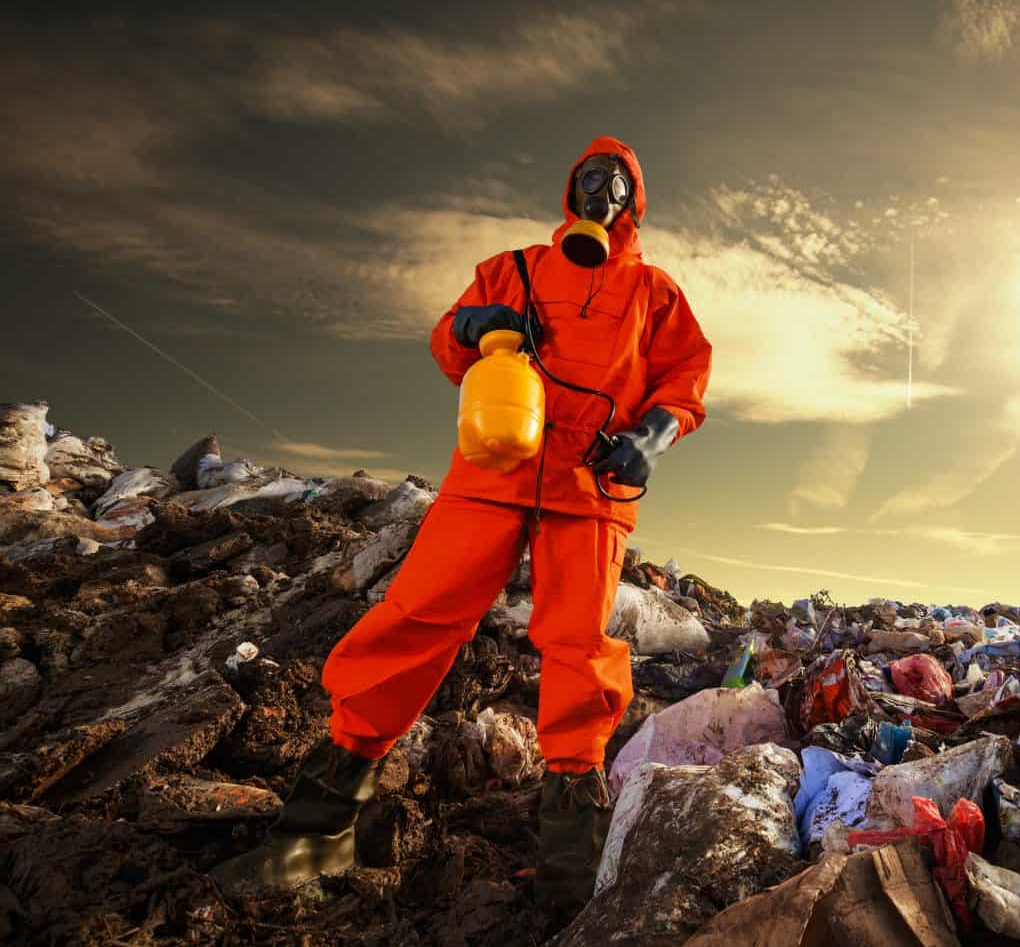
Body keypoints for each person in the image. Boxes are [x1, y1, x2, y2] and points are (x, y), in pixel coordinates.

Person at [212, 136, 713, 922]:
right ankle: (318, 828)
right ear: (568, 191)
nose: (600, 192)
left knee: (580, 651)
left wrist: (648, 438)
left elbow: (685, 381)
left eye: (617, 184)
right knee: (413, 618)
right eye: (588, 178)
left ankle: (565, 875)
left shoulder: (656, 293)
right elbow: (451, 345)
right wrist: (473, 322)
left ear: (632, 206)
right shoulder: (512, 269)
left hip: (591, 487)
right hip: (492, 470)